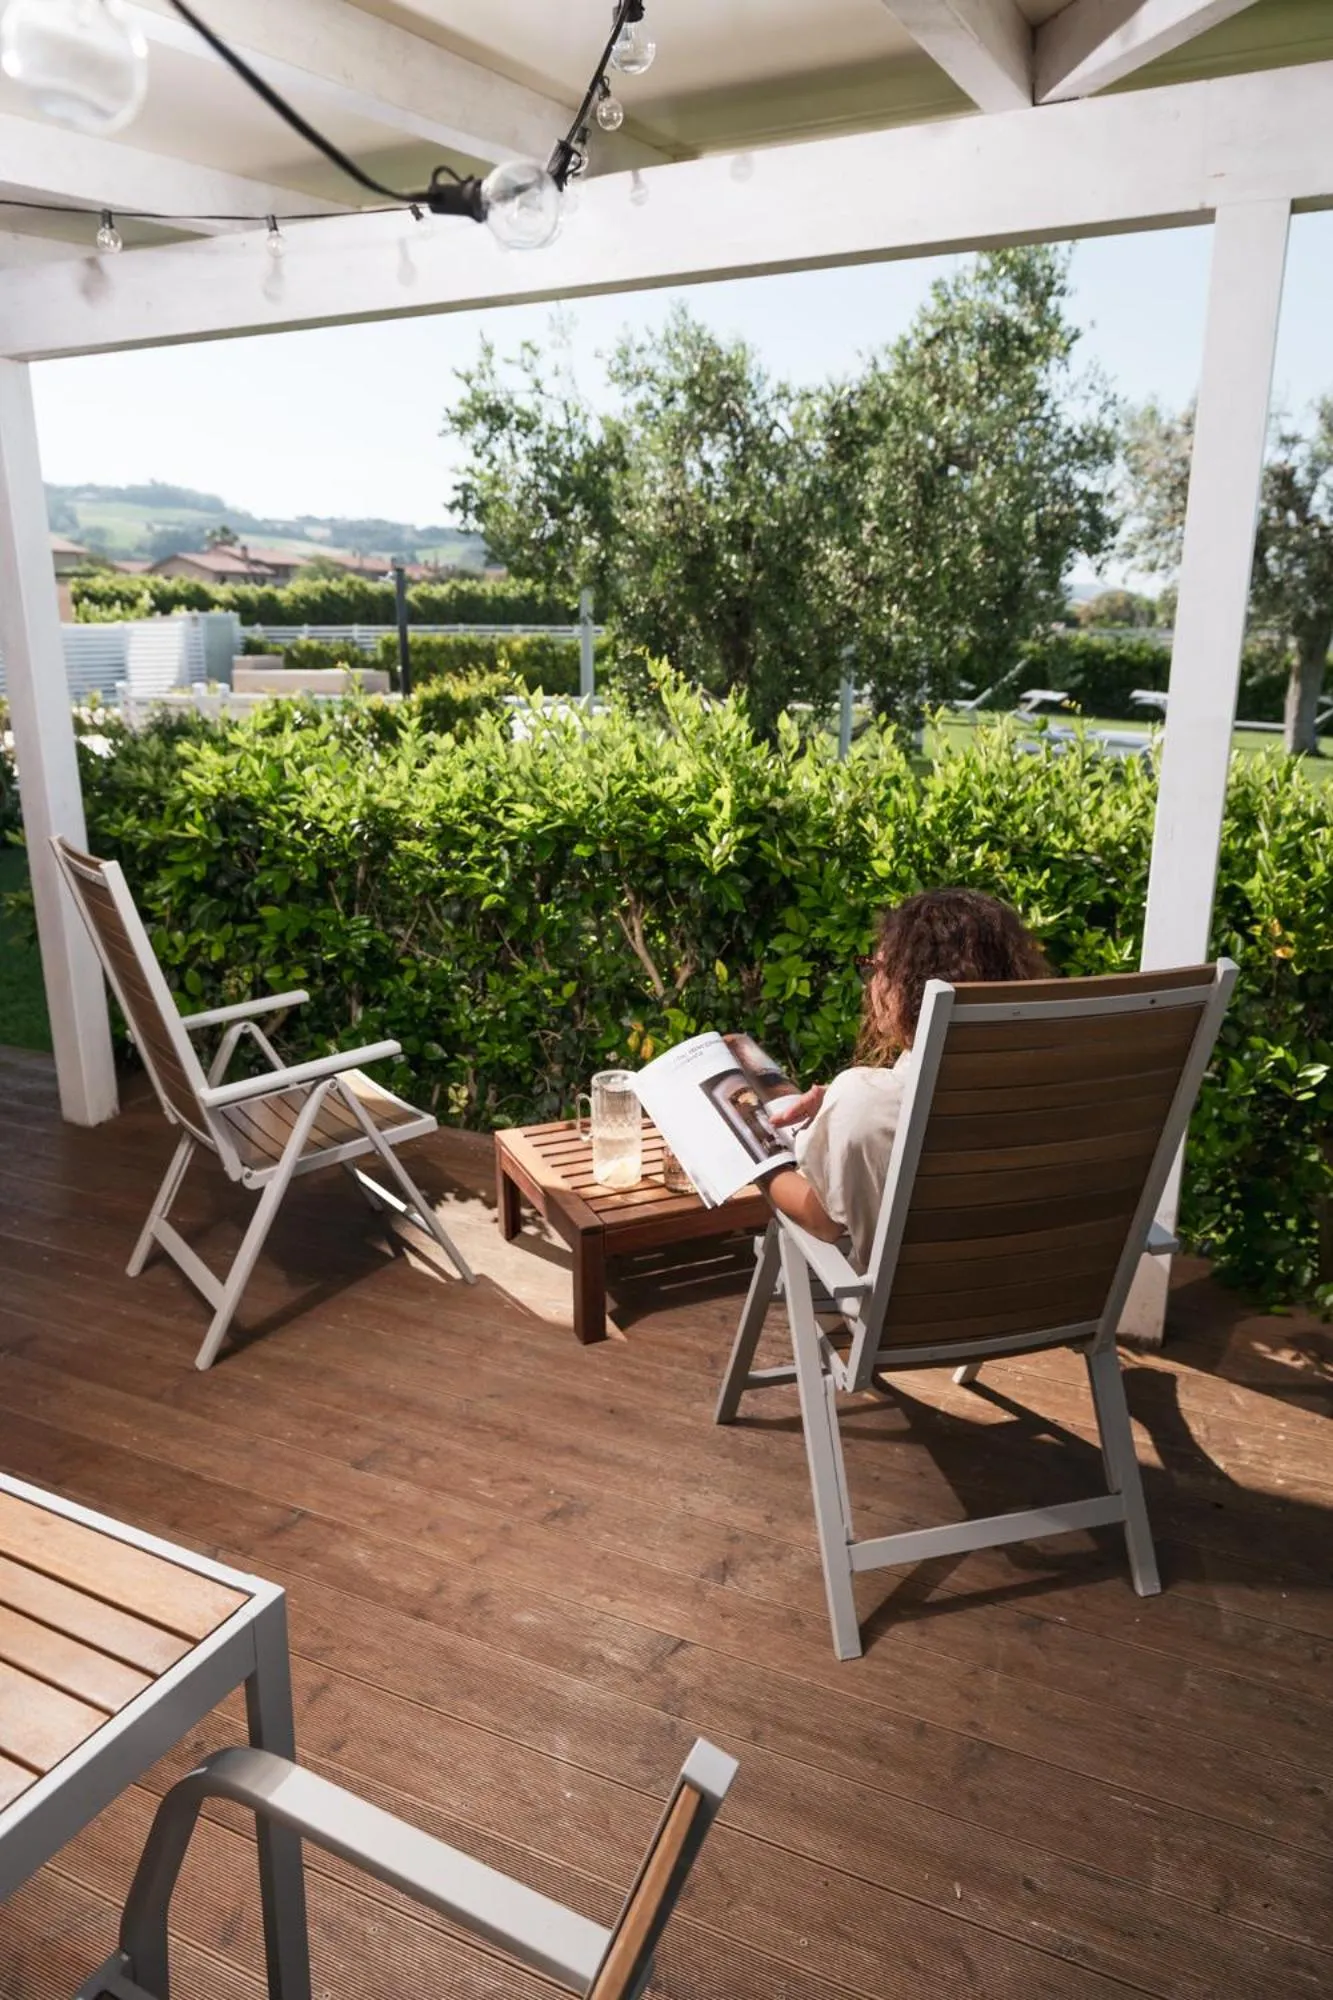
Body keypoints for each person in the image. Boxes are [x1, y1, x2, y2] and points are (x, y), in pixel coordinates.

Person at [765, 888, 1050, 1269]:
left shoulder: (867, 1103)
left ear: (910, 990)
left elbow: (822, 1223)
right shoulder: (1055, 1088)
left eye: (877, 969)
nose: (872, 985)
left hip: (919, 1322)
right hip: (1048, 1310)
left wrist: (758, 1162)